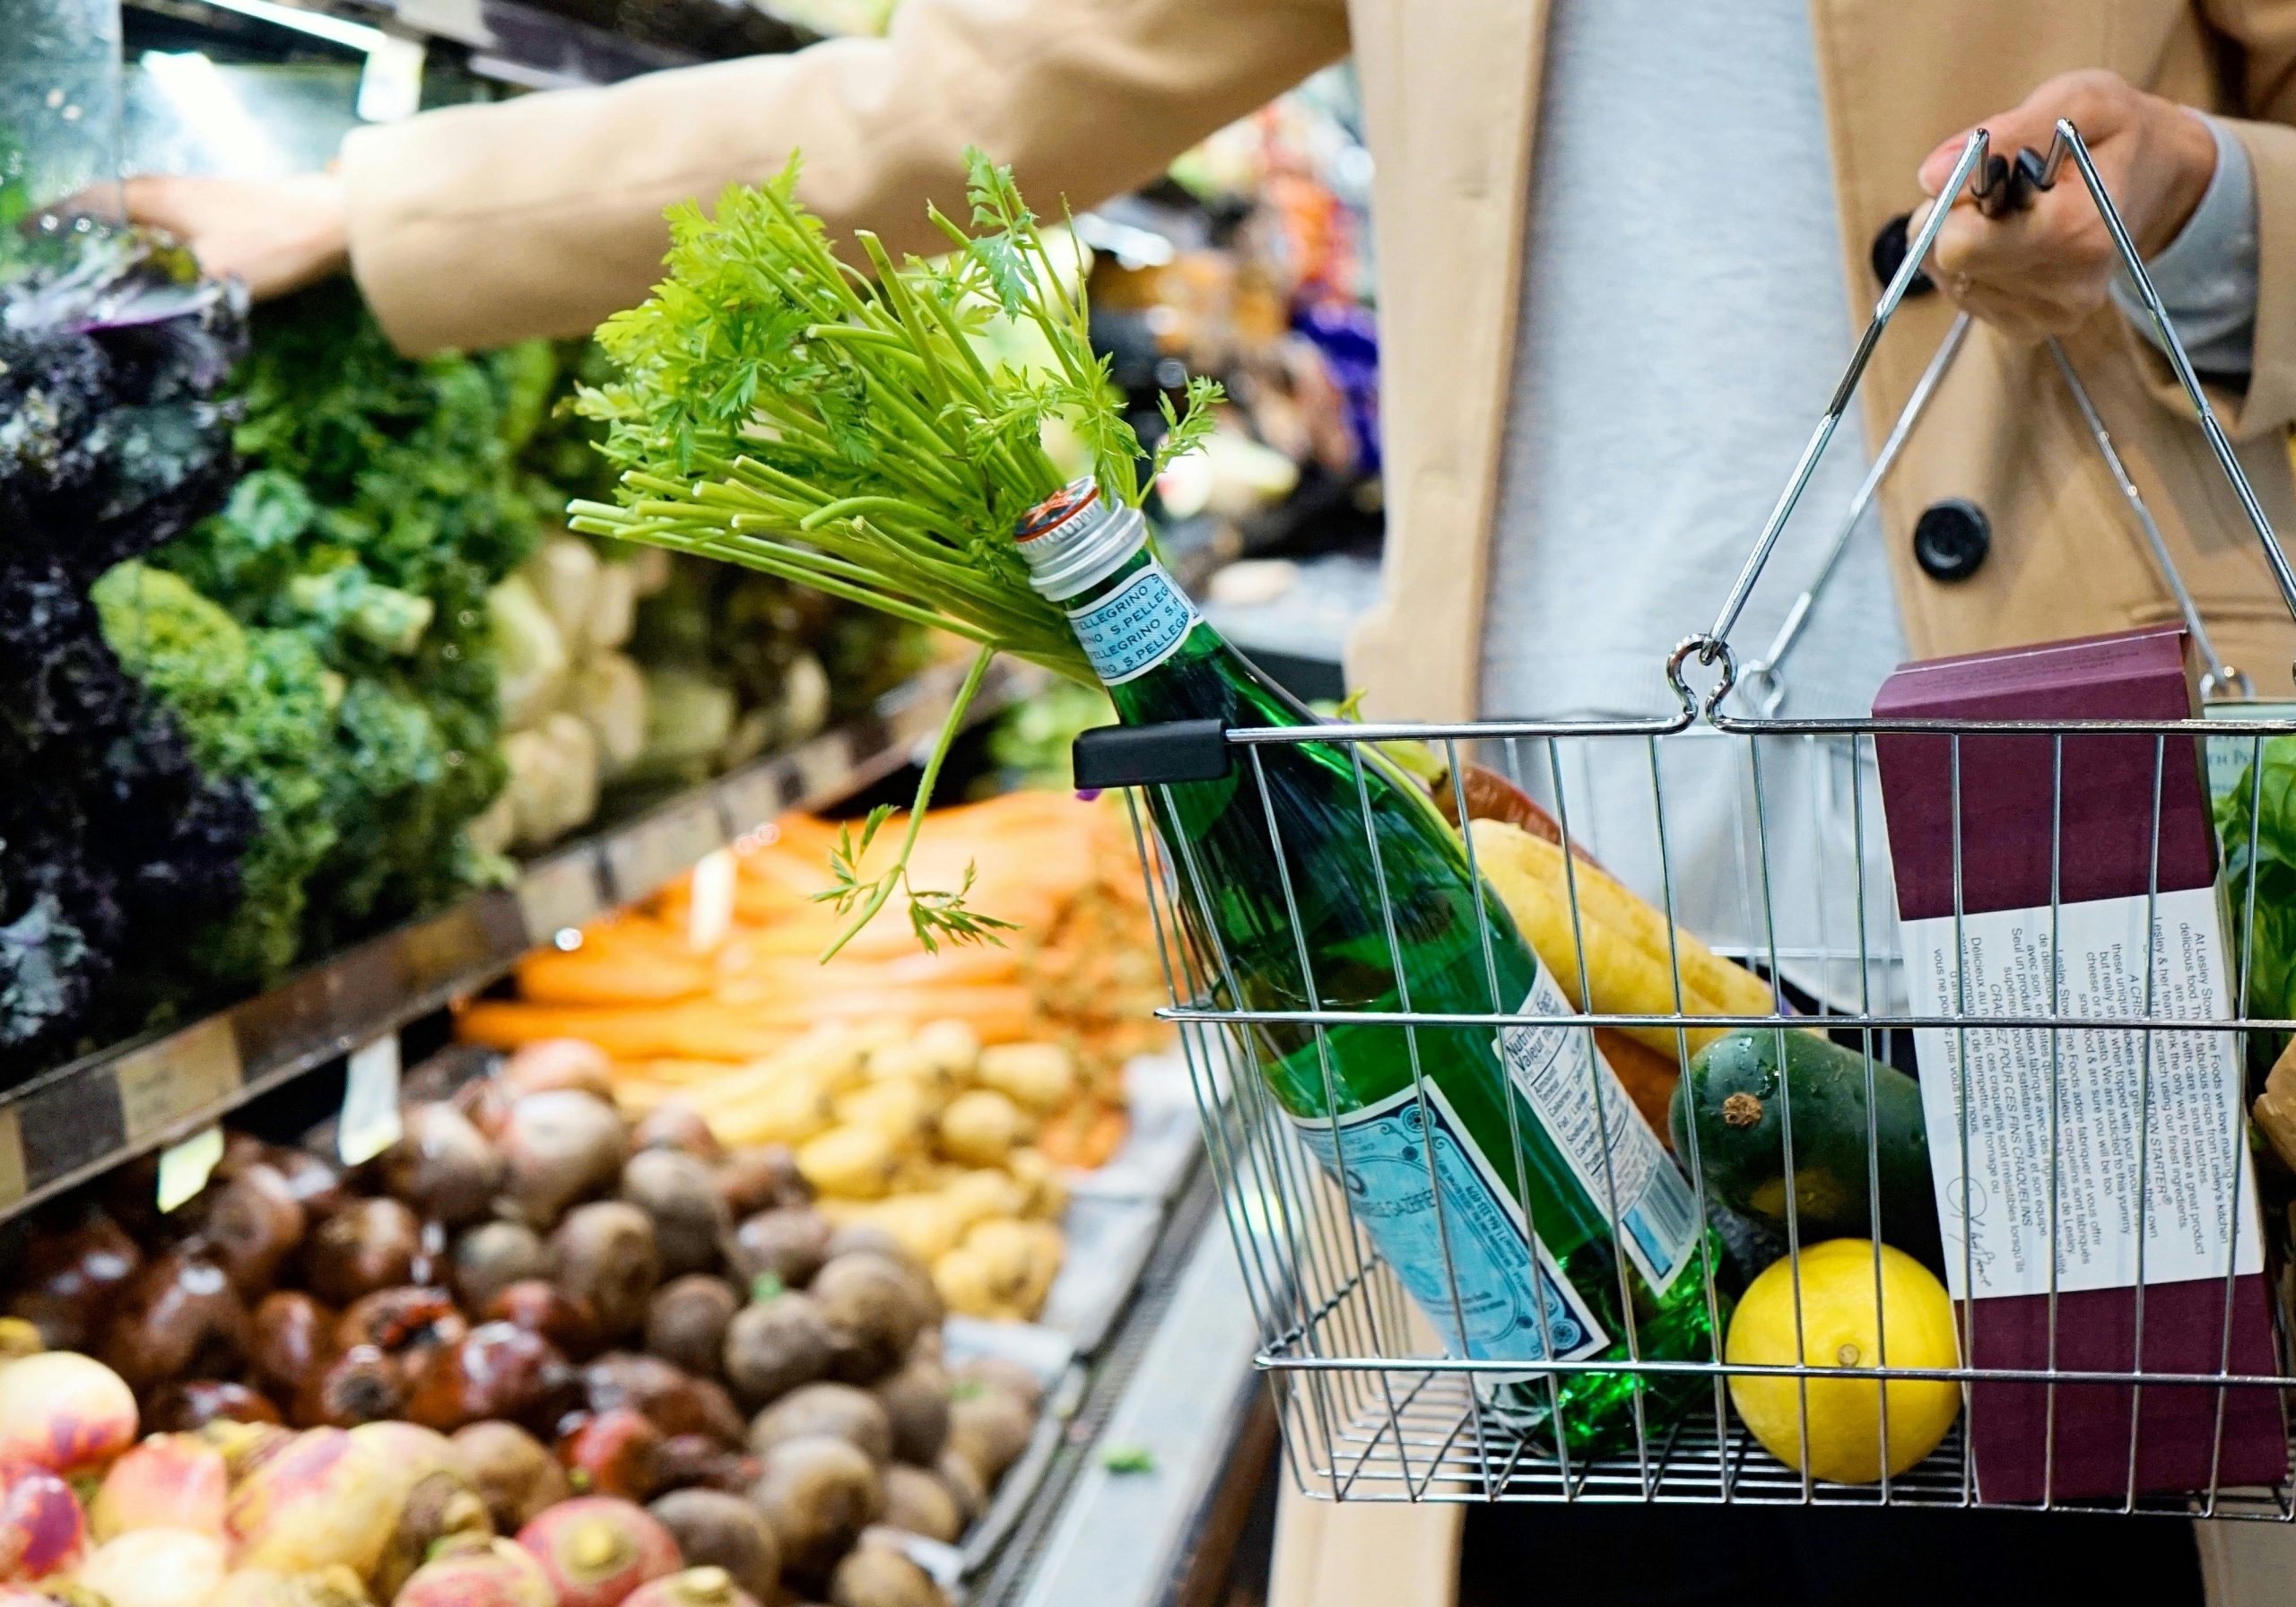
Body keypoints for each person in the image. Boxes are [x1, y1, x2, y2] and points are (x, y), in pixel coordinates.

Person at [124, 4, 2296, 1603]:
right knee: (1584, 1500)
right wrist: (379, 208)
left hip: (2070, 910)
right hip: (1521, 920)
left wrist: (2196, 222)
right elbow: (961, 89)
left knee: (2085, 1523)